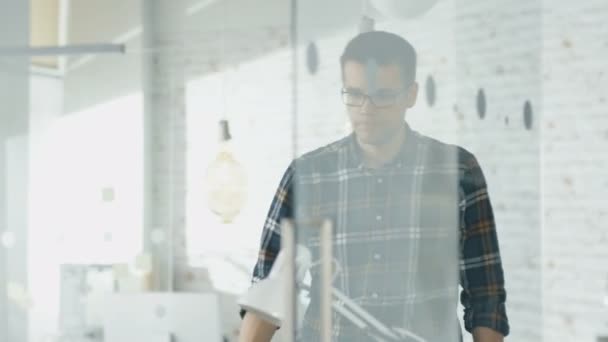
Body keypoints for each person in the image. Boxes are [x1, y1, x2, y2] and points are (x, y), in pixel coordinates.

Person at [238, 31, 509, 342]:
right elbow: (269, 291)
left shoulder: (457, 170)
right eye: (354, 94)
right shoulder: (308, 175)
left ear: (411, 94)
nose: (366, 109)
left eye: (382, 96)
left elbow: (484, 293)